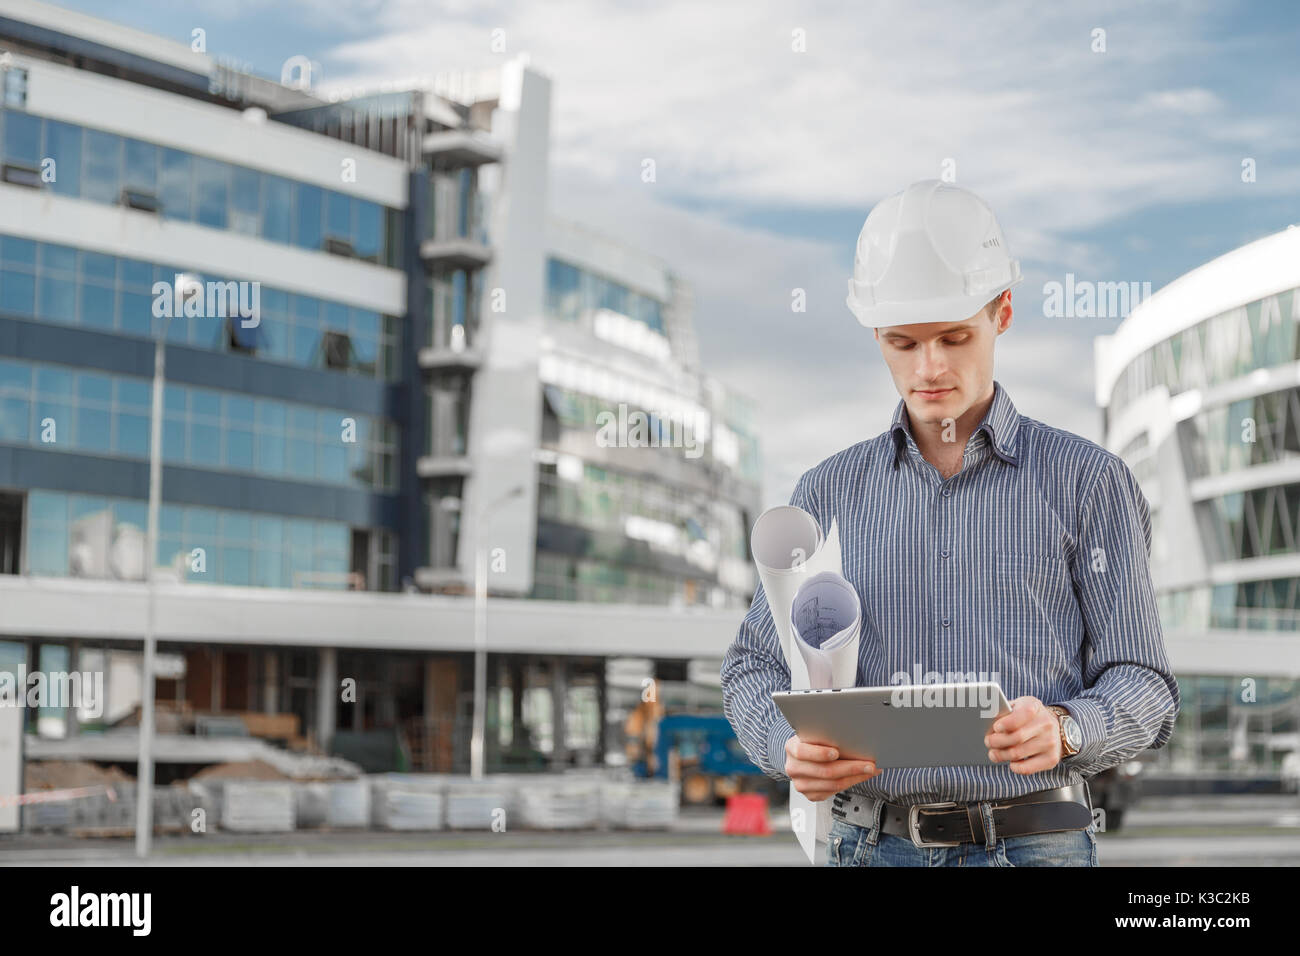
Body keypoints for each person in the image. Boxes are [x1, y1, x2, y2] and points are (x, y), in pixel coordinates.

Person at [720, 179, 1180, 866]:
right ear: (876, 335)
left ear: (1003, 312)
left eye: (955, 337)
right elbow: (752, 666)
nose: (929, 367)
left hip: (1034, 842)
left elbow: (1145, 680)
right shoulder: (828, 492)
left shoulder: (1089, 483)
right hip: (871, 846)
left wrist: (1068, 728)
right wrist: (784, 745)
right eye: (903, 343)